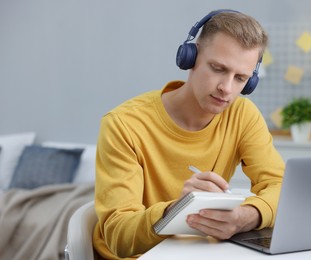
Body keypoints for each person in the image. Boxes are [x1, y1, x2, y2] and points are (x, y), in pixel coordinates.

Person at [93, 9, 285, 259]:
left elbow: (280, 185)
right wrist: (178, 210)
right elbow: (120, 238)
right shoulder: (123, 124)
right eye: (217, 68)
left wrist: (246, 217)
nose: (226, 88)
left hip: (198, 253)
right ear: (190, 57)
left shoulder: (242, 115)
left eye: (240, 78)